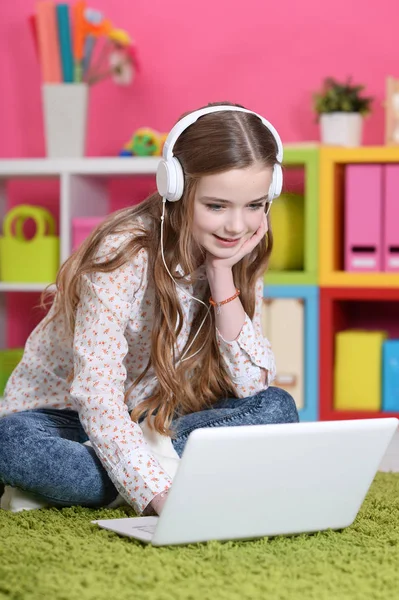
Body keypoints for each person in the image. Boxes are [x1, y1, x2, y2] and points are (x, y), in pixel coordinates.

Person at [0, 101, 299, 516]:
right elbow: (97, 395)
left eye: (254, 205)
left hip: (158, 422)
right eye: (216, 206)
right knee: (11, 444)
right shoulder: (124, 251)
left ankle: (112, 479)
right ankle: (161, 475)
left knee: (278, 408)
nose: (237, 226)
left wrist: (222, 275)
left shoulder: (238, 249)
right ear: (175, 187)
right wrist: (160, 498)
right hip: (69, 421)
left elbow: (251, 386)